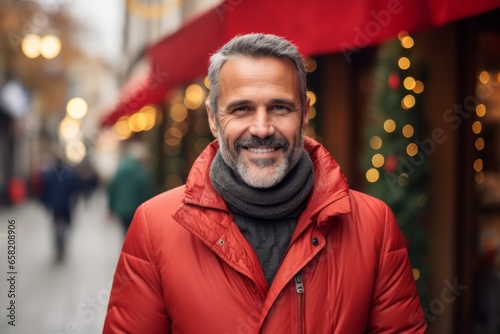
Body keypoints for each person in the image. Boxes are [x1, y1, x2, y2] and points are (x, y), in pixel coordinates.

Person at [104, 33, 427, 333]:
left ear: (304, 115)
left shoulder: (374, 225)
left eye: (280, 107)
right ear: (214, 119)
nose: (261, 128)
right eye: (242, 109)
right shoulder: (153, 227)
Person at [106, 140, 154, 234]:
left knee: (126, 232)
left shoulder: (121, 168)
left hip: (120, 209)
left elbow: (112, 188)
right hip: (135, 209)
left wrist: (110, 207)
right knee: (134, 233)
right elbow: (145, 192)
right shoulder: (141, 173)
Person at [40, 157, 82, 262]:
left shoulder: (48, 175)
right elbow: (75, 189)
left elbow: (44, 191)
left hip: (54, 205)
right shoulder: (69, 175)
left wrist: (45, 203)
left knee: (56, 226)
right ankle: (62, 245)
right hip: (66, 205)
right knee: (65, 225)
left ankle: (59, 246)